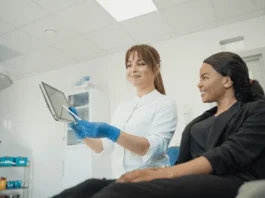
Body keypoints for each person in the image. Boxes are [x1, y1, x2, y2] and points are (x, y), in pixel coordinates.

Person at [52, 51, 265, 198]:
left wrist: (159, 174)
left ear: (227, 81)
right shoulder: (201, 121)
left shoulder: (256, 111)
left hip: (224, 178)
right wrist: (83, 134)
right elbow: (105, 148)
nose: (198, 83)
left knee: (115, 194)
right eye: (128, 64)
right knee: (87, 188)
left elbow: (226, 155)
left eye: (205, 77)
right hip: (178, 175)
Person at [69, 44, 177, 177]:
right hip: (121, 179)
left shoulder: (165, 104)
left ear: (156, 68)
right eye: (129, 65)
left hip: (150, 182)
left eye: (141, 64)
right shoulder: (123, 107)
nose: (133, 69)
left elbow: (153, 149)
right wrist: (83, 136)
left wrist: (112, 132)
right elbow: (108, 147)